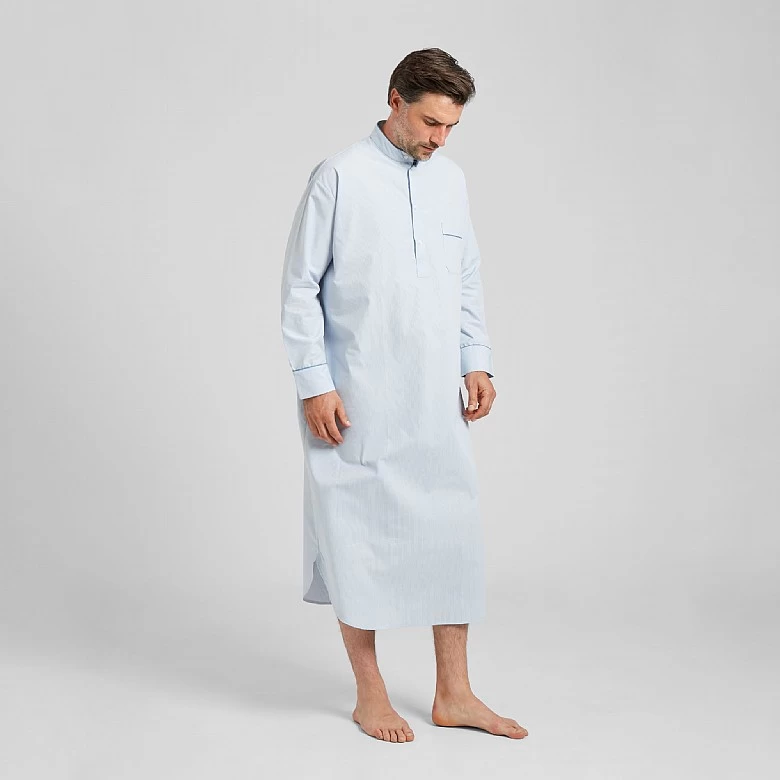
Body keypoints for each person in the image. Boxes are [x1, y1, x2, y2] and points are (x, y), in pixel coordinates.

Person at [280, 48, 527, 743]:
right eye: (429, 122)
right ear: (394, 100)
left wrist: (476, 361)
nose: (439, 138)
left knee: (452, 536)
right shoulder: (339, 176)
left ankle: (455, 693)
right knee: (354, 537)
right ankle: (370, 694)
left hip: (433, 396)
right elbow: (299, 286)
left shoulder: (451, 181)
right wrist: (314, 383)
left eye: (450, 127)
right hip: (354, 394)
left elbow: (466, 277)